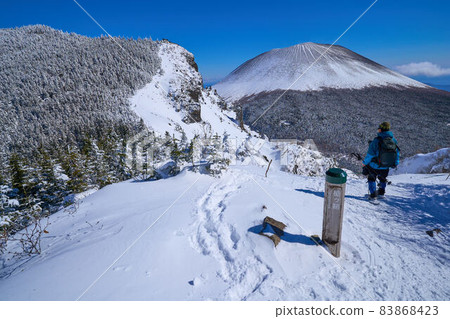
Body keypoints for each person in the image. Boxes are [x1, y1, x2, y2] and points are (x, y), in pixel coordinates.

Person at [362, 122, 400, 200]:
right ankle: (381, 193)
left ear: (381, 130)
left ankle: (373, 195)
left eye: (379, 129)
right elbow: (397, 153)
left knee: (371, 178)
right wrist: (395, 163)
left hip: (375, 165)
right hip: (386, 165)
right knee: (382, 178)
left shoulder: (376, 141)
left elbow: (370, 155)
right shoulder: (393, 140)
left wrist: (364, 163)